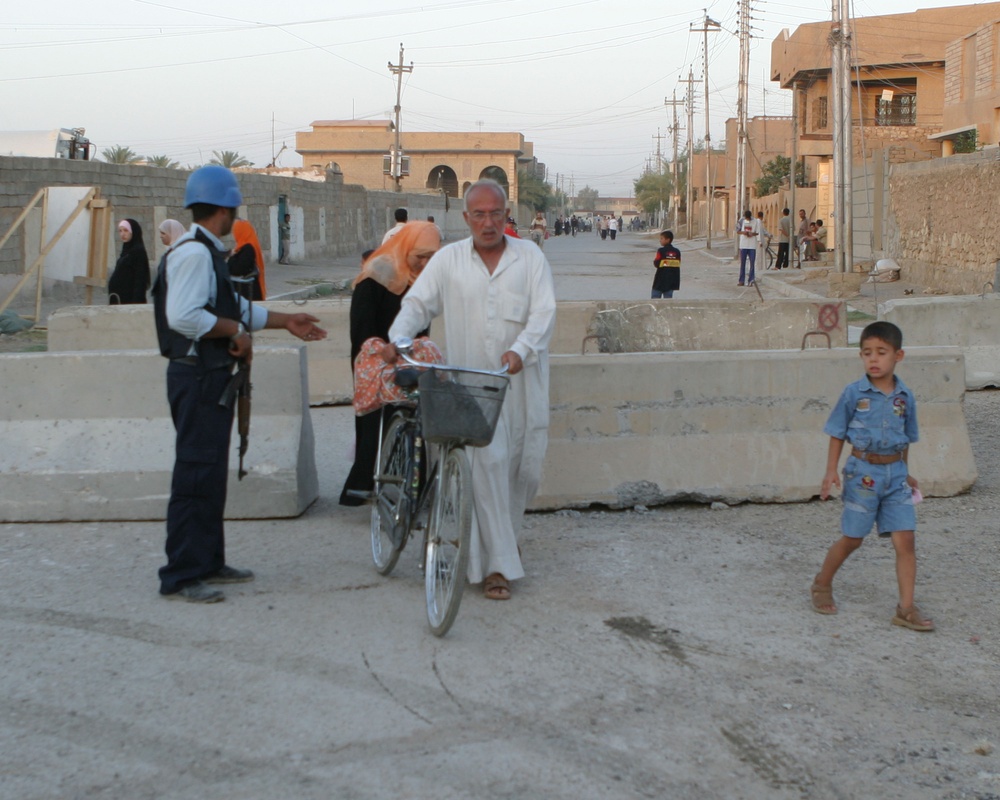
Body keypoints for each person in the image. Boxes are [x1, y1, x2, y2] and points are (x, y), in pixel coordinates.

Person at [152, 165, 327, 603]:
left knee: (209, 473)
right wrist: (234, 332)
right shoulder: (194, 254)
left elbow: (234, 309)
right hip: (196, 377)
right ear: (226, 208)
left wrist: (286, 320)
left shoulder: (207, 252)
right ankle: (181, 574)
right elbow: (185, 317)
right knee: (195, 473)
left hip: (210, 376)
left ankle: (208, 560)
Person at [383, 179, 556, 601]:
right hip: (469, 389)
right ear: (466, 219)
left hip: (520, 384)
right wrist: (398, 339)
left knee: (521, 471)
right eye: (478, 214)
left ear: (506, 214)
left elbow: (544, 311)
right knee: (487, 468)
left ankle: (505, 542)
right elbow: (417, 305)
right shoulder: (449, 261)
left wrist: (520, 351)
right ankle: (496, 567)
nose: (487, 222)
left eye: (495, 213)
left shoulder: (529, 258)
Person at [812, 321, 932, 632]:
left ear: (898, 356)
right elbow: (837, 433)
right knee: (853, 538)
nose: (873, 359)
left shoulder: (905, 396)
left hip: (896, 477)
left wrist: (906, 473)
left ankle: (906, 608)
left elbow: (905, 437)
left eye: (881, 352)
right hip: (862, 472)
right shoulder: (853, 393)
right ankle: (822, 583)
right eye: (867, 353)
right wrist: (830, 471)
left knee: (906, 540)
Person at [339, 222, 441, 506]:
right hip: (372, 355)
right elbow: (360, 326)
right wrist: (380, 350)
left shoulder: (421, 280)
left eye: (431, 256)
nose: (424, 262)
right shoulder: (376, 274)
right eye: (419, 255)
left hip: (406, 356)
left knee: (409, 417)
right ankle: (362, 486)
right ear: (406, 247)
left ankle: (406, 487)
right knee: (371, 424)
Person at [108, 219, 150, 304]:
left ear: (133, 232)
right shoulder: (126, 251)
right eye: (120, 231)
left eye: (126, 230)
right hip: (119, 300)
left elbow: (140, 280)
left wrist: (135, 304)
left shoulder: (138, 252)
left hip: (130, 302)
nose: (122, 234)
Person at [227, 219, 267, 301]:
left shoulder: (248, 248)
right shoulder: (246, 246)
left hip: (248, 294)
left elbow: (238, 269)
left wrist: (231, 258)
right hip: (247, 292)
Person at [651, 230, 681, 299]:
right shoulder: (677, 251)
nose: (660, 240)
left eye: (662, 238)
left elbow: (656, 263)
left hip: (660, 280)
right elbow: (678, 263)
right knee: (668, 301)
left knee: (655, 300)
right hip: (671, 281)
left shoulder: (661, 251)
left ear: (668, 240)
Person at [736, 210, 760, 286]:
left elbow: (757, 232)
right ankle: (741, 280)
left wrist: (752, 234)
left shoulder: (755, 221)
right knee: (742, 263)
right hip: (743, 244)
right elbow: (737, 231)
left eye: (749, 218)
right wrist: (744, 232)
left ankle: (751, 280)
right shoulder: (741, 221)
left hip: (752, 245)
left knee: (752, 263)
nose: (748, 220)